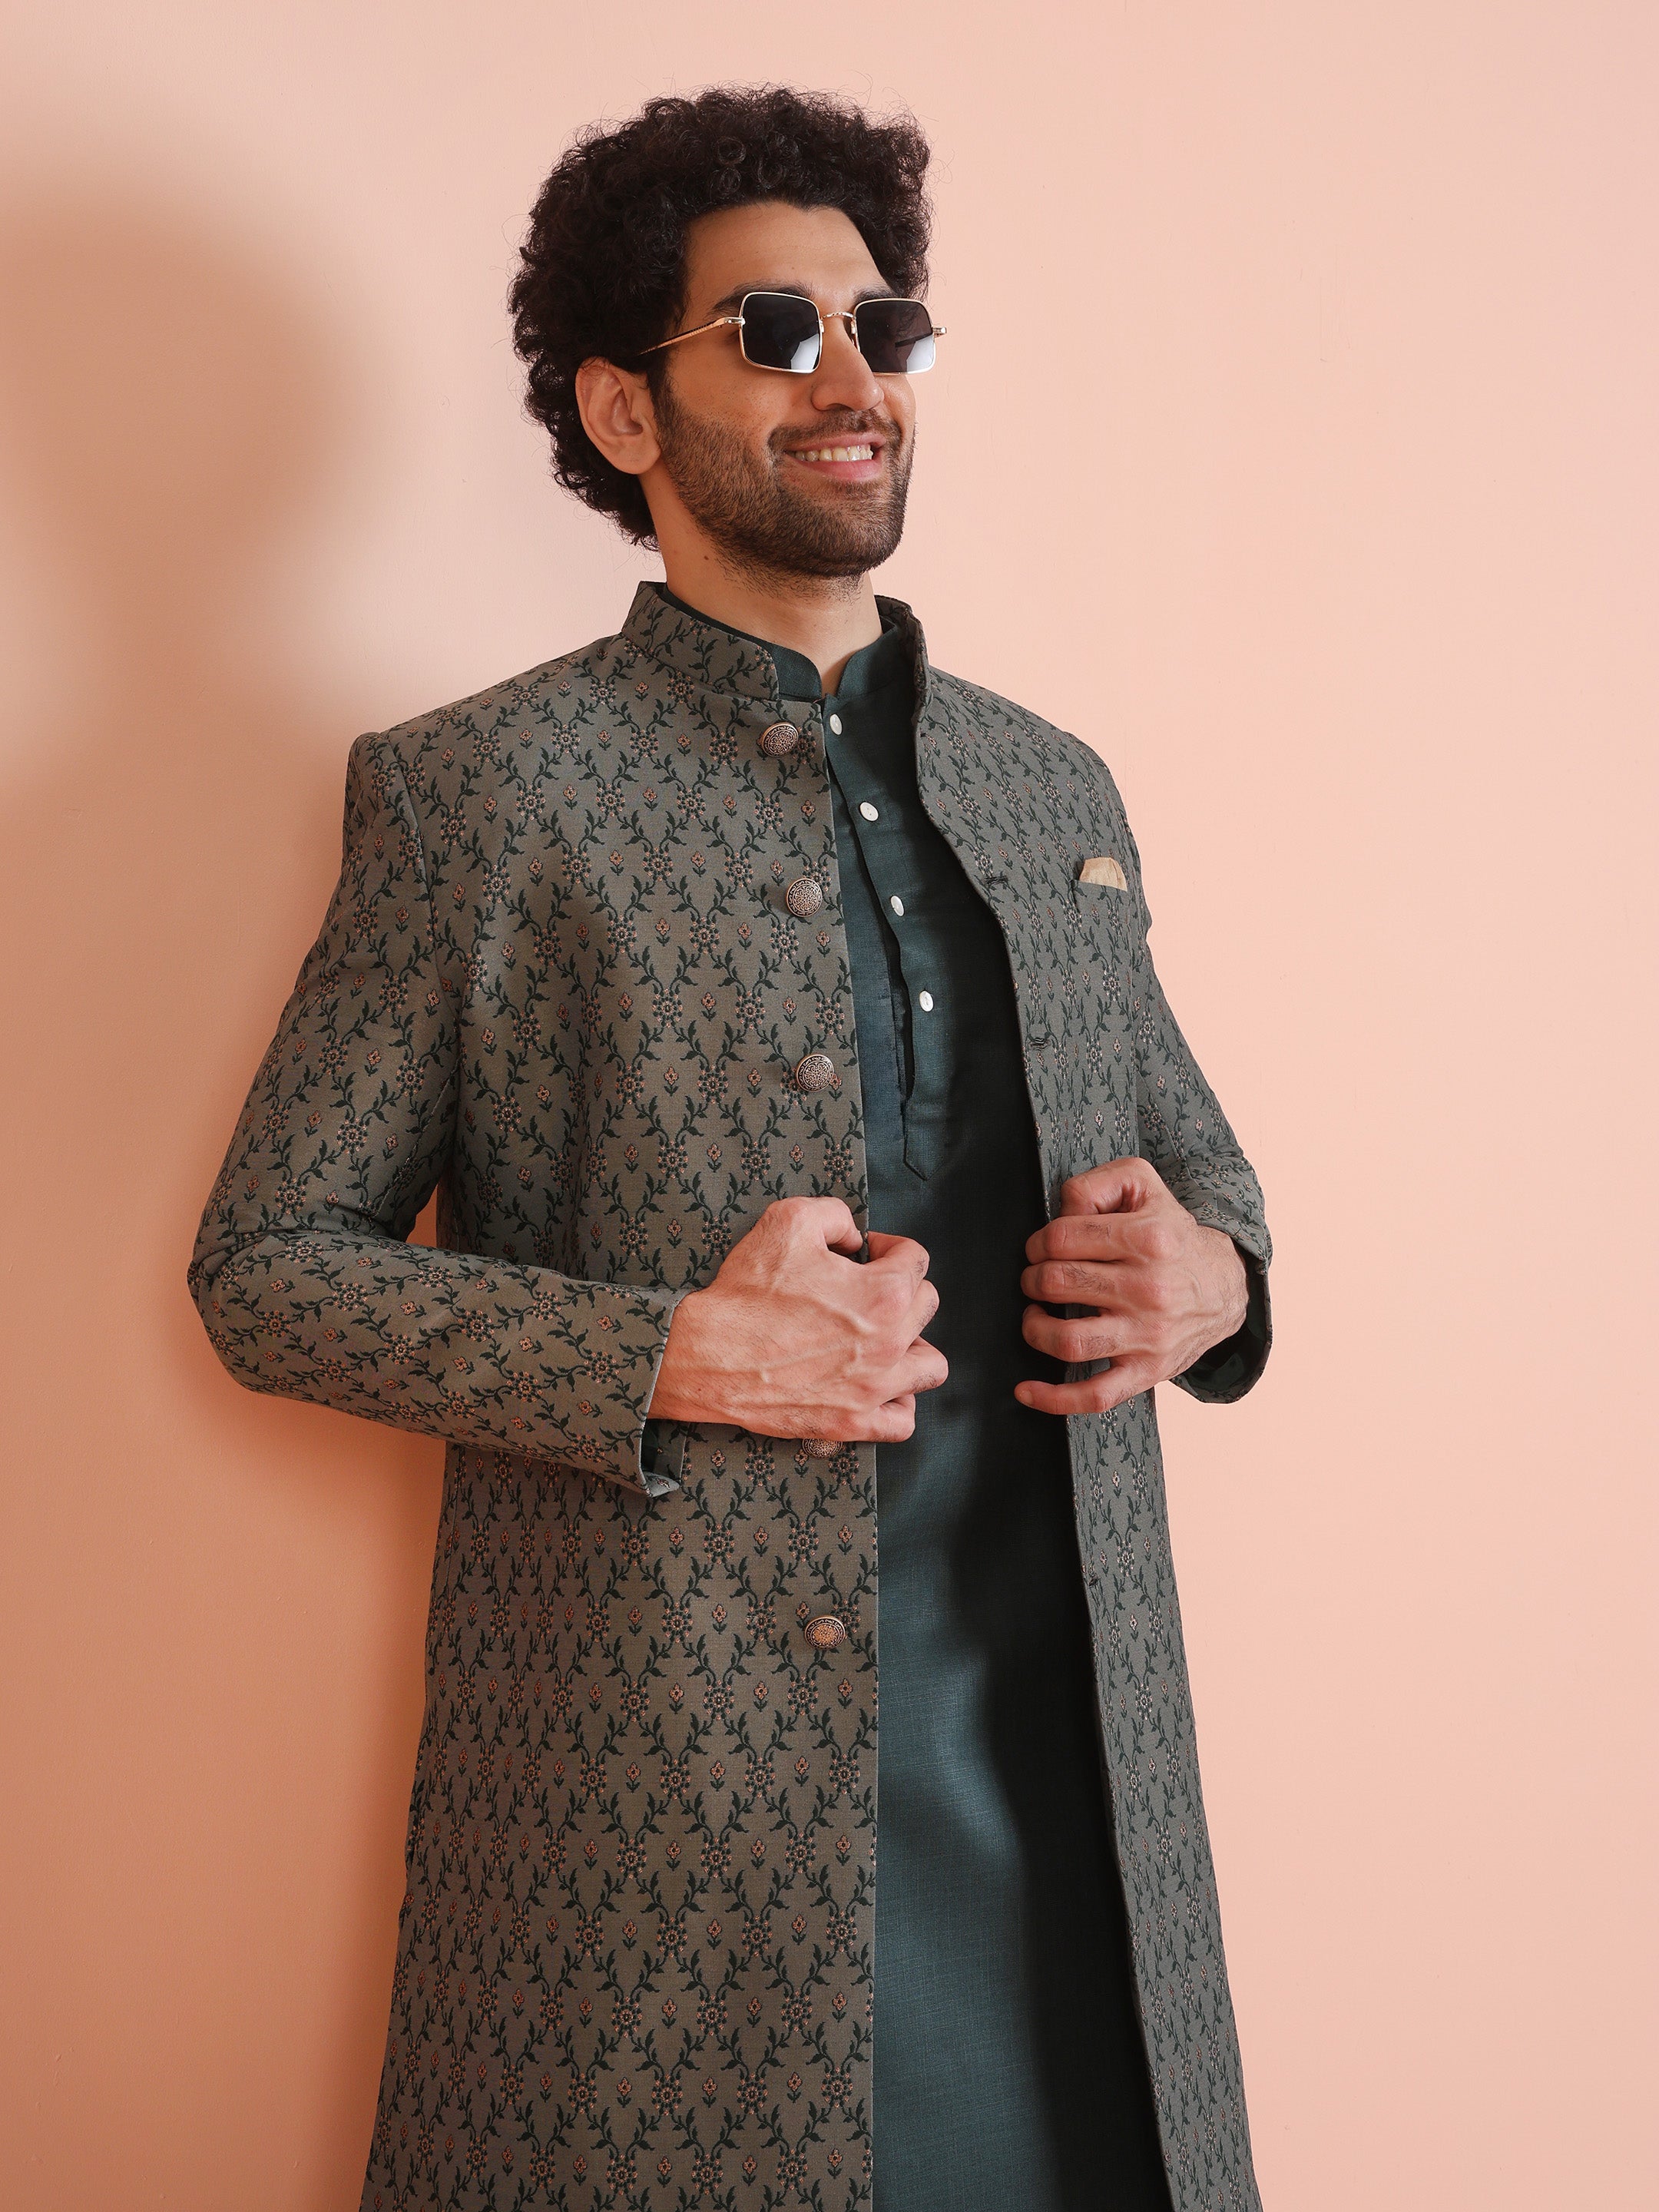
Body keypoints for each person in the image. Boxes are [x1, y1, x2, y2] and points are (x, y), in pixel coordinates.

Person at [190, 84, 1273, 2212]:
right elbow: (269, 1267)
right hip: (663, 1819)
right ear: (623, 409)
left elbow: (1202, 1179)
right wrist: (669, 1353)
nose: (854, 381)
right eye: (777, 333)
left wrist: (1218, 1278)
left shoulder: (1048, 788)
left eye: (886, 330)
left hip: (1072, 1781)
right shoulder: (486, 798)